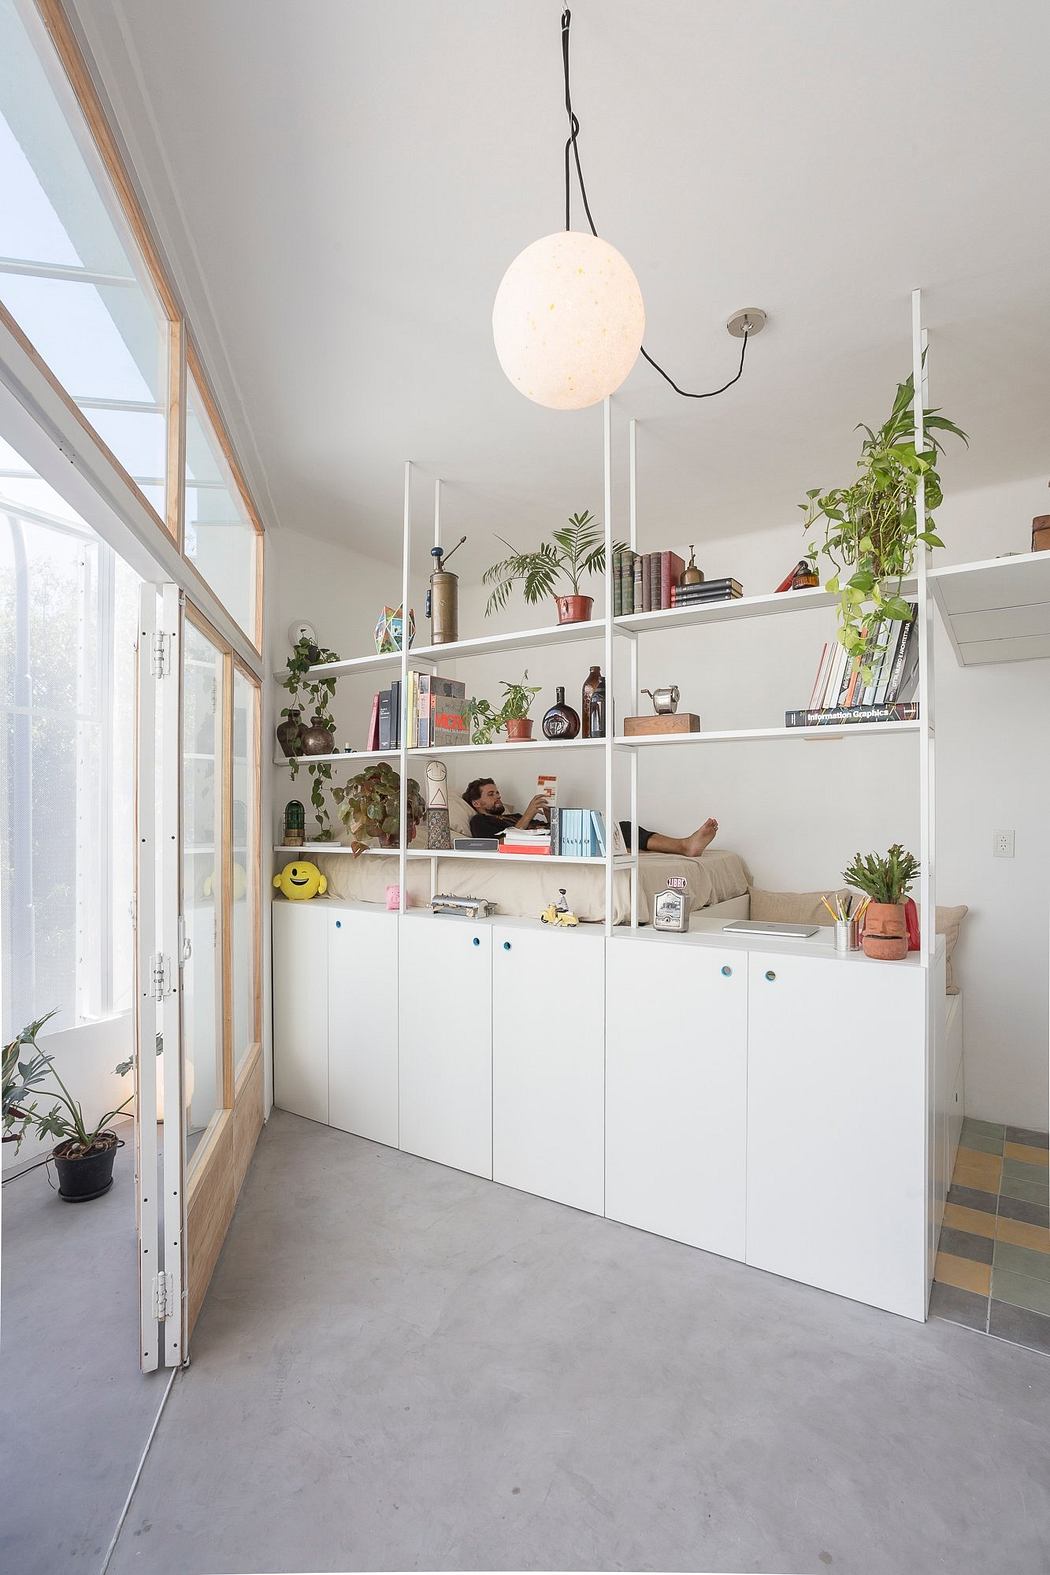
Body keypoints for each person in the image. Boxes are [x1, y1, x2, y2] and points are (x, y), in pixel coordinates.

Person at [462, 777, 718, 856]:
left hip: (560, 838)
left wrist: (548, 812)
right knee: (617, 835)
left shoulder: (513, 814)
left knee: (621, 826)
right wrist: (529, 812)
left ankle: (684, 844)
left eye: (498, 792)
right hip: (552, 848)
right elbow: (508, 844)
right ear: (477, 802)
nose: (498, 797)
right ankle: (684, 846)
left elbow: (542, 827)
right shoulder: (479, 822)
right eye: (491, 794)